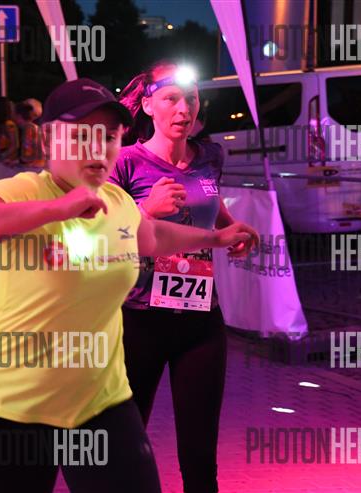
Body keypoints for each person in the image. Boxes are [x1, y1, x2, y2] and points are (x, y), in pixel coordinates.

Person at [0, 78, 258, 493]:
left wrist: (216, 238)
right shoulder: (24, 190)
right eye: (81, 135)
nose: (97, 148)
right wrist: (57, 208)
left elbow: (151, 236)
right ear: (47, 138)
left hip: (101, 404)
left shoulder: (115, 200)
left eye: (108, 136)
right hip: (18, 406)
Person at [111, 61, 257, 493]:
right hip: (139, 319)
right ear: (148, 105)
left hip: (200, 320)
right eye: (171, 99)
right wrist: (145, 210)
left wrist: (234, 228)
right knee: (127, 442)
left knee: (200, 452)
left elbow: (213, 205)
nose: (183, 109)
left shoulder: (210, 156)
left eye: (191, 99)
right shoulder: (124, 162)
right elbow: (104, 238)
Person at [14, 101, 44, 167]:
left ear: (18, 116)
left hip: (34, 167)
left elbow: (27, 155)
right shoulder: (33, 127)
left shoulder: (29, 129)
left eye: (14, 115)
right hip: (37, 166)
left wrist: (16, 162)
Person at [0, 97, 19, 166]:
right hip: (1, 161)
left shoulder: (9, 124)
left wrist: (1, 156)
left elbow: (14, 145)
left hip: (8, 162)